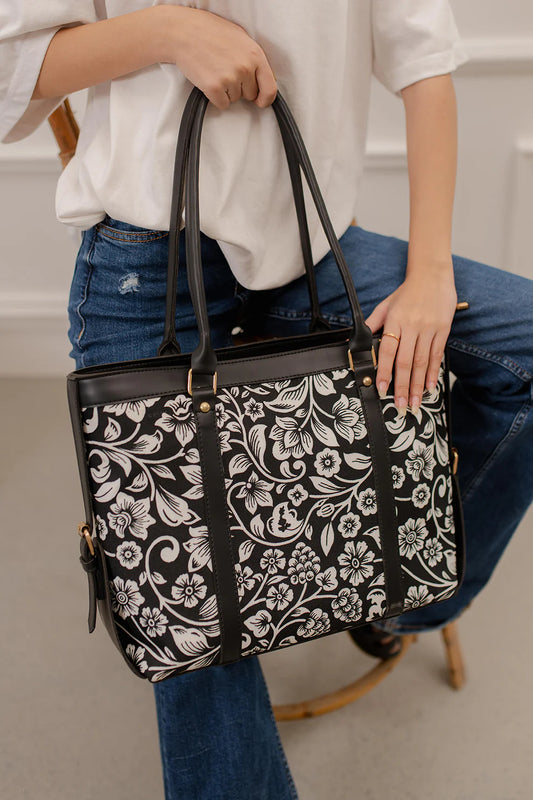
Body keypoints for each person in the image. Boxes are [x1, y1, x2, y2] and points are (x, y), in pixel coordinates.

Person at [1, 2, 532, 798]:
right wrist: (168, 33)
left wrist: (430, 274)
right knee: (188, 591)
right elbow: (14, 64)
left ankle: (392, 595)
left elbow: (424, 61)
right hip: (145, 265)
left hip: (310, 252)